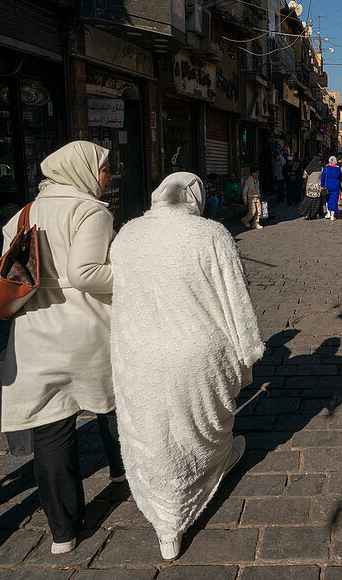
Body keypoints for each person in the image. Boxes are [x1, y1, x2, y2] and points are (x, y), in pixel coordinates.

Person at [110, 173, 263, 560]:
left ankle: (166, 524)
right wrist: (247, 349)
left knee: (154, 434)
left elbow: (121, 300)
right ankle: (211, 469)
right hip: (198, 352)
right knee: (202, 424)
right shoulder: (212, 235)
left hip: (141, 352)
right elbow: (236, 298)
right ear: (195, 196)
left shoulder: (127, 235)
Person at [0, 141, 124, 555]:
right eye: (105, 169)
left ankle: (63, 533)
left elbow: (12, 272)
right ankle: (127, 475)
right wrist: (135, 273)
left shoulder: (23, 214)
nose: (109, 177)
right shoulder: (89, 211)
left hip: (34, 332)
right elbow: (85, 273)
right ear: (83, 169)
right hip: (85, 329)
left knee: (51, 430)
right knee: (113, 406)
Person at [320, 156, 342, 220]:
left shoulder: (326, 167)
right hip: (335, 185)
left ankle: (328, 213)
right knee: (334, 200)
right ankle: (332, 215)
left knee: (327, 199)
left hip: (327, 184)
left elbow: (322, 177)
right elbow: (340, 177)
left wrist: (322, 185)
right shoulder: (338, 169)